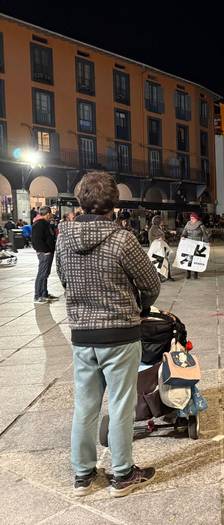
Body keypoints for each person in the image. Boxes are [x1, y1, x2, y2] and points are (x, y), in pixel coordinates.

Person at [55, 171, 161, 498]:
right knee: (120, 405)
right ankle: (123, 474)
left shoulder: (63, 237)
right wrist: (140, 307)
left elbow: (62, 278)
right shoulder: (122, 239)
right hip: (119, 334)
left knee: (85, 406)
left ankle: (83, 475)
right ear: (113, 203)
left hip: (83, 335)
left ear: (81, 200)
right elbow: (151, 284)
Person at [31, 206, 58, 304]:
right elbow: (36, 240)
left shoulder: (45, 223)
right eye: (50, 213)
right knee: (42, 274)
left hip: (47, 252)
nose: (51, 215)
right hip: (44, 253)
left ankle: (44, 293)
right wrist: (46, 251)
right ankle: (38, 296)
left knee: (45, 274)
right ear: (48, 213)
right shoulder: (39, 224)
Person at [181, 212, 209, 280]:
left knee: (196, 258)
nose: (192, 219)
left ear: (196, 218)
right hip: (189, 243)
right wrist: (183, 236)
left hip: (197, 243)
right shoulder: (188, 224)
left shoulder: (200, 225)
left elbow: (205, 234)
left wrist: (206, 242)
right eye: (191, 218)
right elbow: (184, 231)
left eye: (193, 218)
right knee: (189, 258)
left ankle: (195, 274)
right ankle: (188, 273)